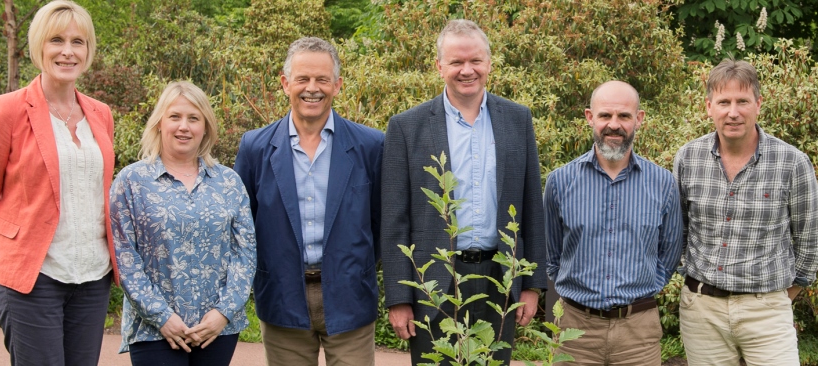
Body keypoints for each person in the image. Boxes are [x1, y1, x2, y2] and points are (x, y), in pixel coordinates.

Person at [381, 19, 547, 365]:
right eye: (456, 62)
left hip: (499, 280)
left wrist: (531, 286)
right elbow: (394, 218)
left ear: (489, 63)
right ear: (439, 66)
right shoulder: (406, 127)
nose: (467, 70)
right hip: (434, 282)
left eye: (475, 61)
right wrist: (398, 296)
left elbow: (531, 207)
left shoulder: (518, 119)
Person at [0, 2, 115, 365]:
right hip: (32, 279)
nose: (67, 51)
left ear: (89, 50)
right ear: (38, 47)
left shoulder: (100, 113)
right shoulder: (6, 110)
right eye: (56, 40)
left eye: (78, 42)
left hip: (93, 277)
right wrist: (3, 263)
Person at [233, 36, 383, 366]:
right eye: (302, 79)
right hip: (283, 298)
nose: (311, 88)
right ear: (286, 83)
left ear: (338, 85)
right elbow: (242, 225)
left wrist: (358, 269)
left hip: (350, 298)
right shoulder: (255, 148)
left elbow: (380, 222)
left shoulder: (371, 146)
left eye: (322, 79)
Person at [673, 59, 818, 366]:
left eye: (742, 101)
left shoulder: (792, 162)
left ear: (758, 104)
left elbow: (809, 244)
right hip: (702, 313)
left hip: (767, 311)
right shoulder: (688, 158)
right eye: (723, 102)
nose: (733, 112)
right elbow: (678, 233)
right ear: (708, 107)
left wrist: (777, 298)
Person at [110, 81, 256, 365]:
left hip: (217, 329)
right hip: (155, 330)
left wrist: (223, 312)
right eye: (174, 117)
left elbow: (245, 253)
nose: (183, 127)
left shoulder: (228, 182)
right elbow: (124, 258)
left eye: (193, 118)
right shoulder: (131, 182)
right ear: (159, 123)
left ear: (205, 127)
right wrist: (162, 317)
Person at [543, 81, 683, 365]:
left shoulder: (663, 184)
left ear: (639, 119)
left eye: (624, 116)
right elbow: (551, 256)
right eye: (605, 115)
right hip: (575, 331)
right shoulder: (560, 182)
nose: (614, 125)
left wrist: (641, 292)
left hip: (638, 334)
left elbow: (669, 255)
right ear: (589, 117)